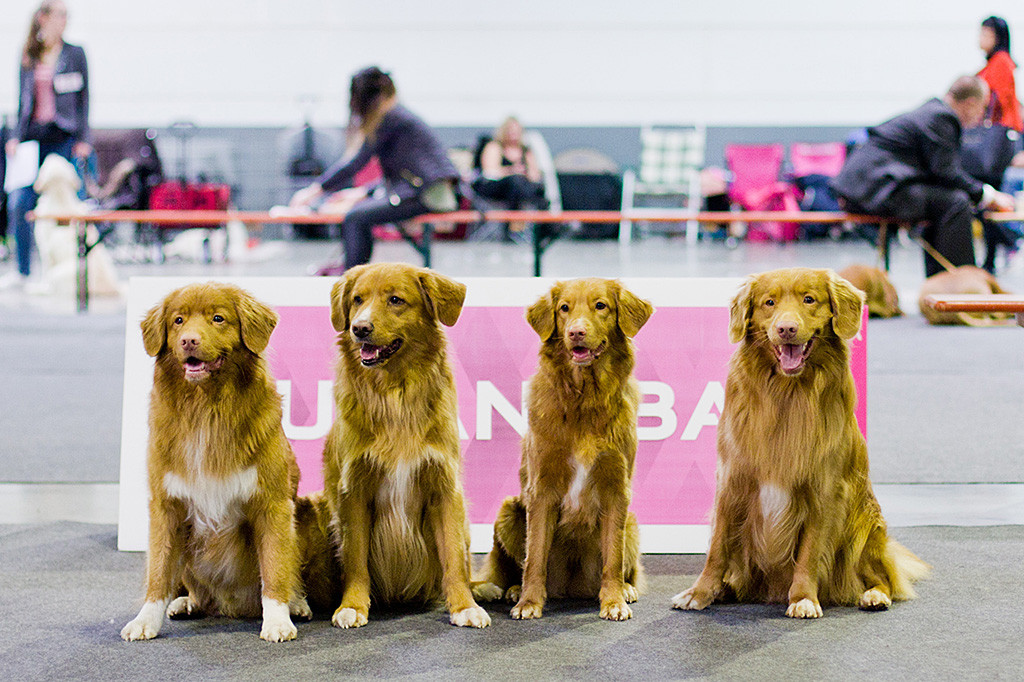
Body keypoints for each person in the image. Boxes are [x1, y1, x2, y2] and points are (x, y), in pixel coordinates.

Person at [831, 76, 1015, 277]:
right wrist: (989, 196)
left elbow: (939, 174)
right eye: (983, 108)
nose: (982, 116)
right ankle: (964, 286)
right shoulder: (942, 117)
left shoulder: (933, 111)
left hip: (867, 189)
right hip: (875, 191)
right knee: (956, 202)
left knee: (945, 202)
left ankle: (942, 283)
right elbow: (947, 173)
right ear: (970, 104)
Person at [290, 66, 460, 274]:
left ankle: (352, 278)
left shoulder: (391, 118)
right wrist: (362, 192)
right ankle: (354, 273)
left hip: (431, 195)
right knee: (358, 215)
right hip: (424, 192)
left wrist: (315, 190)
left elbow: (356, 162)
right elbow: (400, 173)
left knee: (355, 218)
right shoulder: (396, 115)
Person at [2, 0, 90, 289]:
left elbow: (83, 101)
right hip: (31, 140)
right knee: (19, 202)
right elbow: (21, 101)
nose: (65, 20)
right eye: (60, 14)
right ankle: (23, 270)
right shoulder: (29, 54)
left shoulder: (75, 54)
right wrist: (15, 136)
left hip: (64, 139)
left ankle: (67, 271)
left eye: (67, 15)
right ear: (43, 18)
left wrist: (83, 140)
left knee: (65, 206)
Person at [978, 16, 1022, 132]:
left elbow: (1000, 98)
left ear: (997, 38)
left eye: (986, 35)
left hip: (1003, 128)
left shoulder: (1001, 61)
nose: (980, 39)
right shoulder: (993, 63)